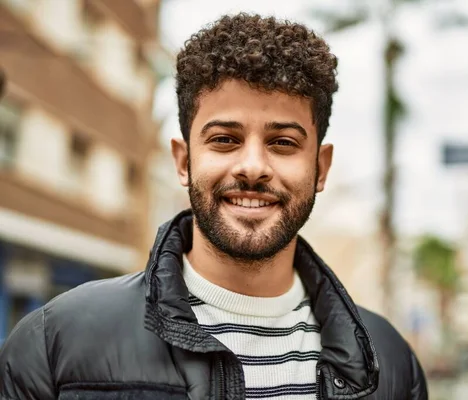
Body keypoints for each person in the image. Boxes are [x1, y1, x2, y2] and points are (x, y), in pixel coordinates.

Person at [0, 13, 428, 400]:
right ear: (184, 161)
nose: (253, 167)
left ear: (320, 167)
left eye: (283, 143)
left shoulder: (389, 365)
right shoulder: (54, 344)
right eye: (225, 139)